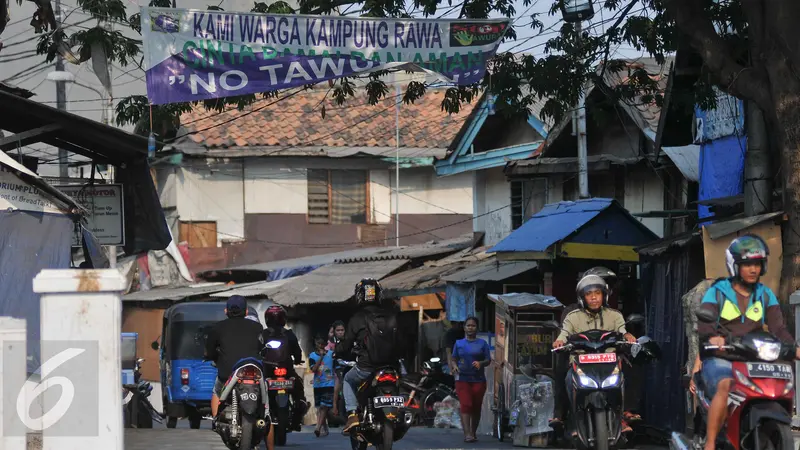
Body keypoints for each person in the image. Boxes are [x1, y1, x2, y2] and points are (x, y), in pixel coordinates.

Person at [696, 235, 799, 450]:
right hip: (722, 356)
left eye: (757, 264)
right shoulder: (718, 292)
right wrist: (713, 338)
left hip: (753, 355)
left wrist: (794, 347)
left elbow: (778, 329)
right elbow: (705, 326)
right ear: (735, 266)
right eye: (747, 264)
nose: (753, 269)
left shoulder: (765, 294)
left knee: (780, 377)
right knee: (725, 384)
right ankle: (711, 443)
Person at [552, 274, 637, 435]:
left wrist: (627, 336)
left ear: (604, 296)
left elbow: (622, 330)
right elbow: (564, 333)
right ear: (582, 298)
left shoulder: (614, 315)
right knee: (565, 378)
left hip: (610, 363)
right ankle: (568, 420)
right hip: (581, 364)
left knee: (631, 369)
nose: (593, 298)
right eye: (589, 294)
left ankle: (624, 414)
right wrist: (559, 342)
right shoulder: (573, 317)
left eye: (597, 293)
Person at [335, 278, 402, 434]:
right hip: (392, 367)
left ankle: (352, 414)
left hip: (367, 367)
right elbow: (403, 341)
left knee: (347, 380)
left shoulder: (357, 318)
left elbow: (346, 344)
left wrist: (337, 351)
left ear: (359, 295)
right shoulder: (391, 315)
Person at [204, 295, 264, 420]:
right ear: (246, 311)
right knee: (266, 405)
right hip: (254, 373)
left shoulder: (217, 328)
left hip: (227, 373)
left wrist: (215, 358)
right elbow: (262, 348)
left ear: (226, 311)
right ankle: (271, 439)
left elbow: (209, 352)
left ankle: (216, 420)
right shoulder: (257, 327)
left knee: (217, 391)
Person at [262, 305, 309, 430]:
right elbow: (297, 352)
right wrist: (298, 360)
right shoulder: (289, 334)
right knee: (299, 388)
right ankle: (300, 405)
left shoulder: (263, 334)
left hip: (268, 371)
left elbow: (257, 351)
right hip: (287, 370)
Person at [450, 316, 491, 443]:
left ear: (477, 328)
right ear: (464, 328)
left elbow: (488, 360)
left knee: (476, 407)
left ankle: (473, 432)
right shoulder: (459, 343)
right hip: (462, 379)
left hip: (479, 379)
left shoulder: (482, 344)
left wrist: (481, 363)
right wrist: (455, 366)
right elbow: (453, 359)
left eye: (473, 325)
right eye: (468, 325)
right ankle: (467, 433)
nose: (470, 328)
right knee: (466, 404)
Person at [309, 336, 336, 437]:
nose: (319, 346)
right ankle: (324, 426)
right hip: (318, 385)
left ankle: (317, 427)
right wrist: (320, 357)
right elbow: (314, 369)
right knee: (320, 408)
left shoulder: (331, 354)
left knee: (324, 406)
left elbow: (335, 367)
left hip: (329, 384)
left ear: (324, 345)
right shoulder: (312, 356)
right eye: (317, 344)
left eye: (321, 344)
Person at [327, 320, 346, 417]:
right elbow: (327, 353)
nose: (340, 332)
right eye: (338, 330)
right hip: (336, 369)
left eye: (342, 330)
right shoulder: (331, 343)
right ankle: (334, 408)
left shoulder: (349, 340)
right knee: (336, 386)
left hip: (349, 367)